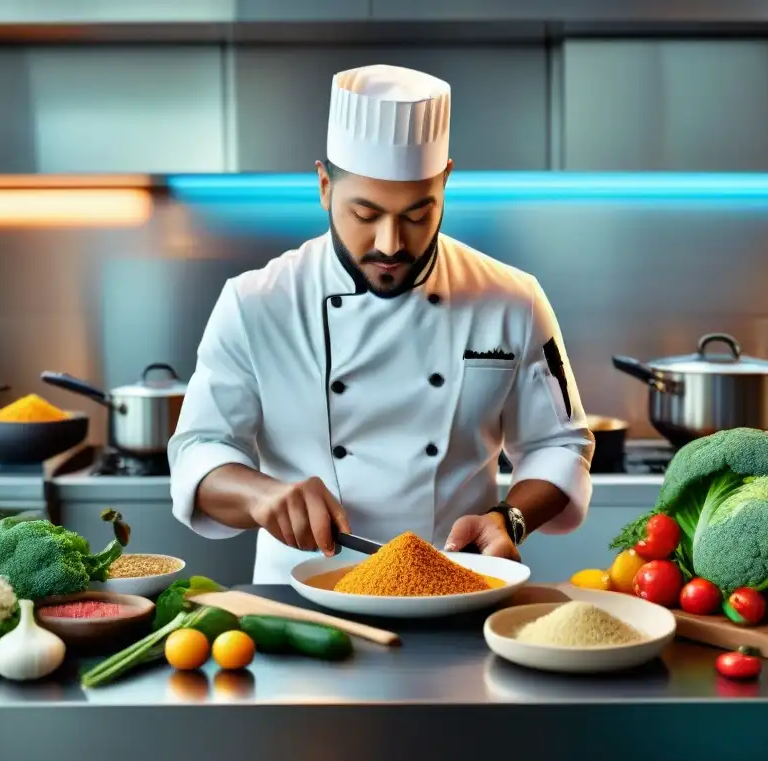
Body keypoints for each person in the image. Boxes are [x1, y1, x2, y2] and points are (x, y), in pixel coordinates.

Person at [168, 64, 594, 584]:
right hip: (300, 599)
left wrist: (509, 519)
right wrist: (263, 496)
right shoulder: (256, 302)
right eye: (365, 214)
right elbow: (197, 452)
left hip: (453, 588)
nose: (391, 243)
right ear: (325, 187)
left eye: (417, 215)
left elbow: (561, 444)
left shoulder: (512, 298)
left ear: (445, 184)